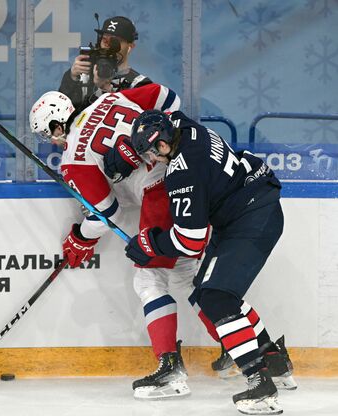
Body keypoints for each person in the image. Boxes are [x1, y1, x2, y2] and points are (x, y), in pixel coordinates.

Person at [30, 83, 206, 400]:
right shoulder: (111, 98)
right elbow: (171, 99)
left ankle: (170, 369)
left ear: (58, 124)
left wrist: (80, 237)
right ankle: (255, 354)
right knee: (189, 276)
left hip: (160, 195)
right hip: (191, 172)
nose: (52, 143)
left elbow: (105, 215)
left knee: (149, 278)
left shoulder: (72, 158)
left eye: (48, 135)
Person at [121, 109, 296, 415]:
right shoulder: (188, 128)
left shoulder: (182, 174)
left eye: (151, 152)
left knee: (216, 298)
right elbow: (168, 111)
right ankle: (274, 359)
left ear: (162, 145)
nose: (151, 160)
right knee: (208, 289)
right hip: (250, 203)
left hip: (251, 217)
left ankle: (259, 382)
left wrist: (149, 243)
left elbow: (190, 240)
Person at [59, 16, 152, 109]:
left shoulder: (140, 85)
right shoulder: (83, 75)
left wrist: (105, 90)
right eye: (104, 40)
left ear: (130, 47)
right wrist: (71, 78)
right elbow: (60, 113)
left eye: (115, 41)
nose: (107, 45)